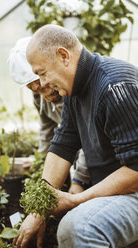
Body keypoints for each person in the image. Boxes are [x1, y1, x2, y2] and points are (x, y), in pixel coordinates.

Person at [13, 24, 138, 248]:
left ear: (63, 56)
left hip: (134, 189)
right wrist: (38, 211)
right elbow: (62, 145)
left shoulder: (114, 86)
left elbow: (136, 171)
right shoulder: (74, 91)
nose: (42, 84)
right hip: (115, 189)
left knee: (77, 228)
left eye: (42, 73)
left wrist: (74, 200)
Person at [8, 37, 90, 194]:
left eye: (38, 82)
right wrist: (41, 163)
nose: (39, 89)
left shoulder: (72, 90)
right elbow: (47, 130)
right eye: (31, 87)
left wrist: (79, 179)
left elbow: (89, 140)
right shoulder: (39, 96)